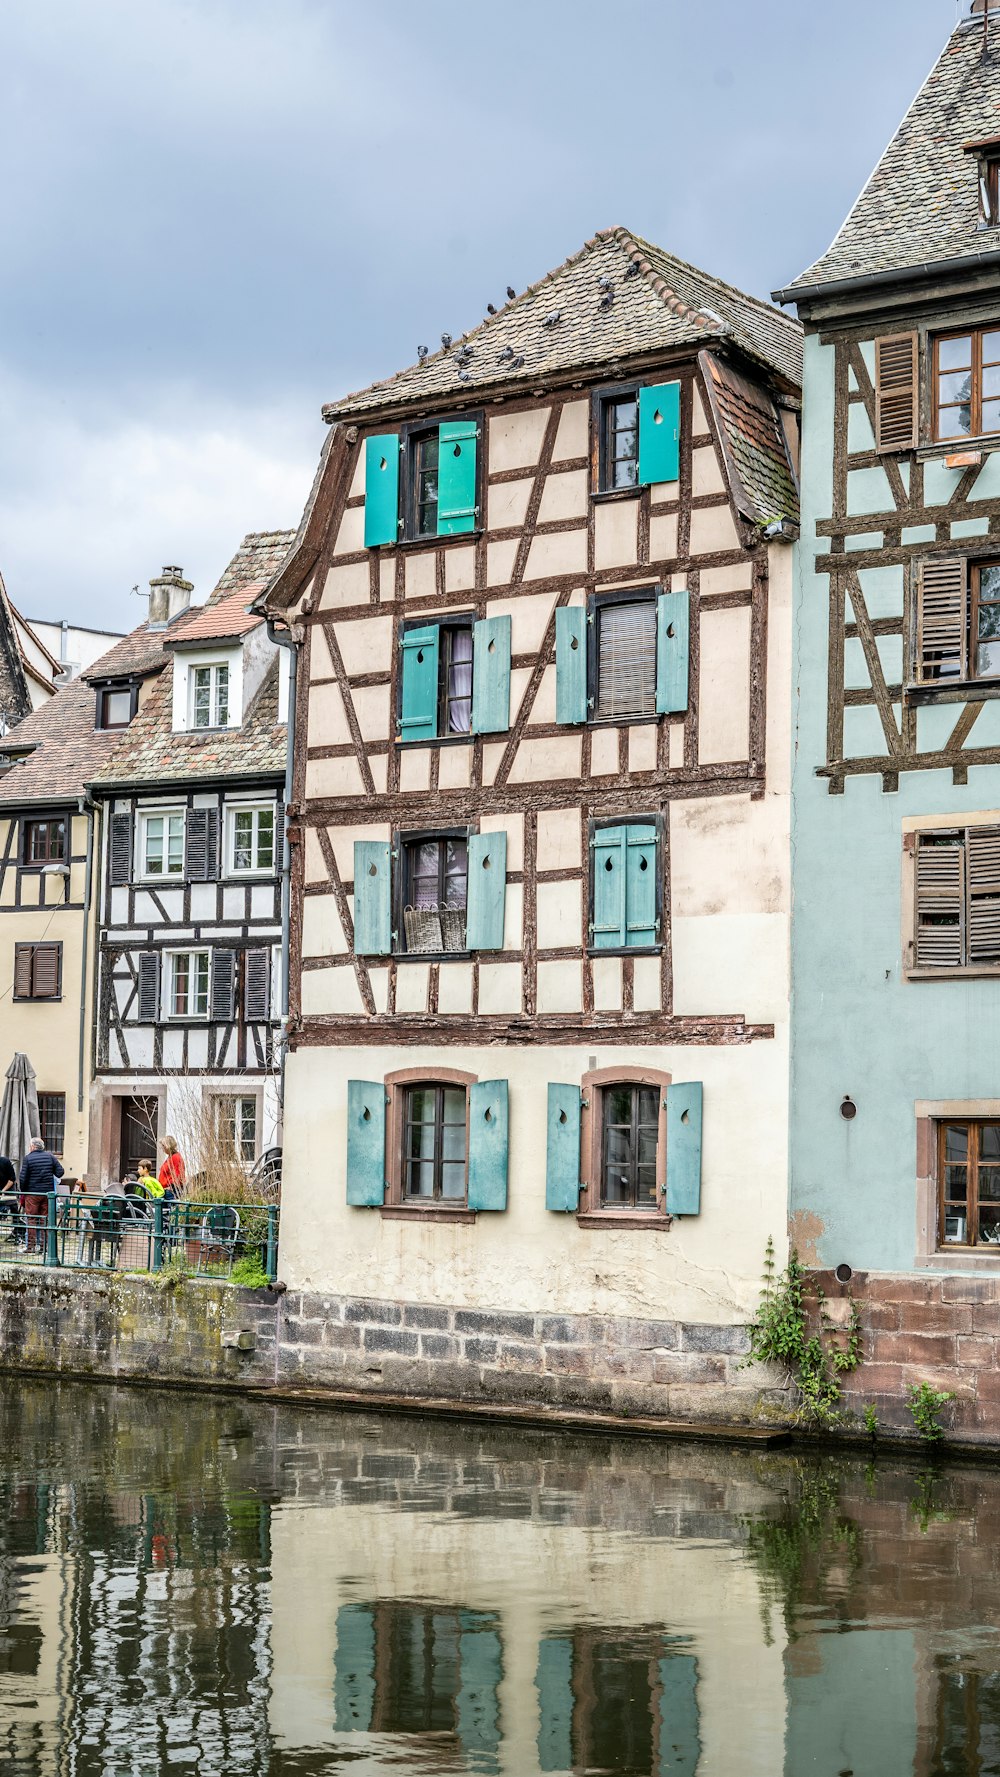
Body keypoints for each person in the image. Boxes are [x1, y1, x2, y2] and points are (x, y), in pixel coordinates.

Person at [19, 1136, 64, 1255]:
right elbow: (60, 1172)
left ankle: (31, 1247)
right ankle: (44, 1247)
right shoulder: (50, 1156)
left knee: (31, 1219)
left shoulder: (28, 1158)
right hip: (47, 1194)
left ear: (33, 1146)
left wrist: (23, 1191)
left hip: (32, 1194)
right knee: (45, 1220)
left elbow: (23, 1178)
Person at [158, 1136, 185, 1201]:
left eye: (163, 1146)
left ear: (168, 1146)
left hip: (171, 1192)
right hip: (167, 1191)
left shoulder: (175, 1157)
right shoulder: (170, 1157)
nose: (162, 1148)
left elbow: (178, 1175)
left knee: (171, 1210)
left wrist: (172, 1187)